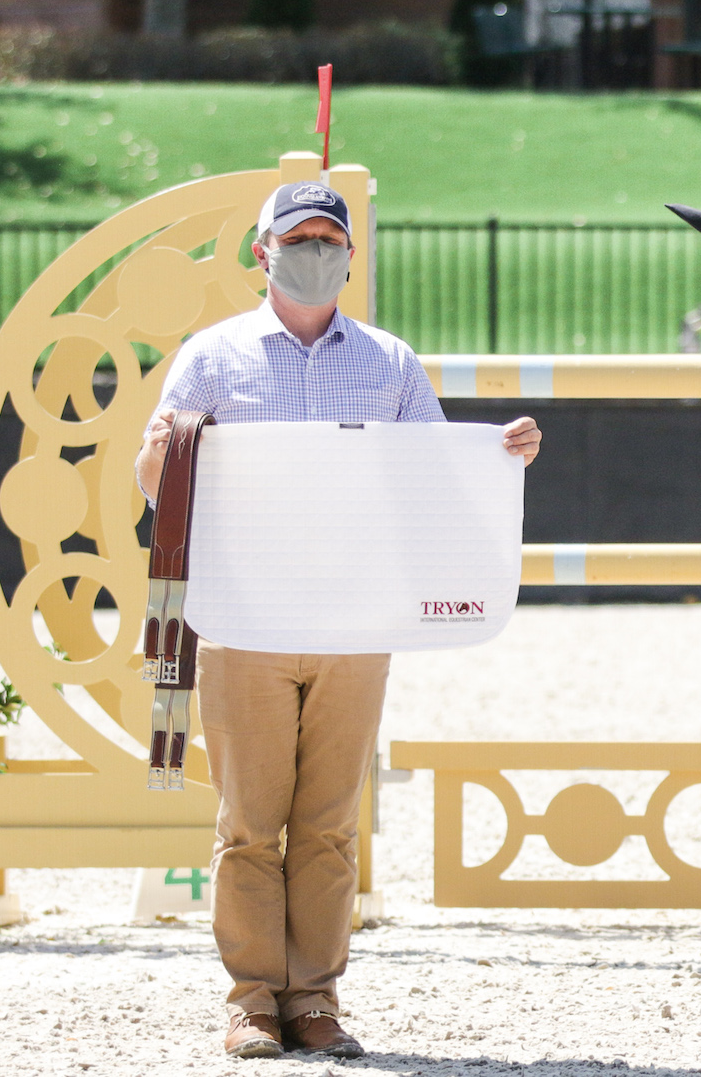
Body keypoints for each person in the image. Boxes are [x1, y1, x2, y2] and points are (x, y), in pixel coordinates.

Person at [135, 181, 542, 1060]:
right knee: (248, 822)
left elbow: (435, 474)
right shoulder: (211, 357)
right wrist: (162, 446)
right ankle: (251, 998)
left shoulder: (391, 363)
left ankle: (314, 997)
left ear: (350, 252)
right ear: (262, 251)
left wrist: (500, 453)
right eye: (298, 236)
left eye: (328, 235)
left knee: (328, 821)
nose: (314, 250)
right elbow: (153, 481)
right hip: (244, 622)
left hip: (357, 624)